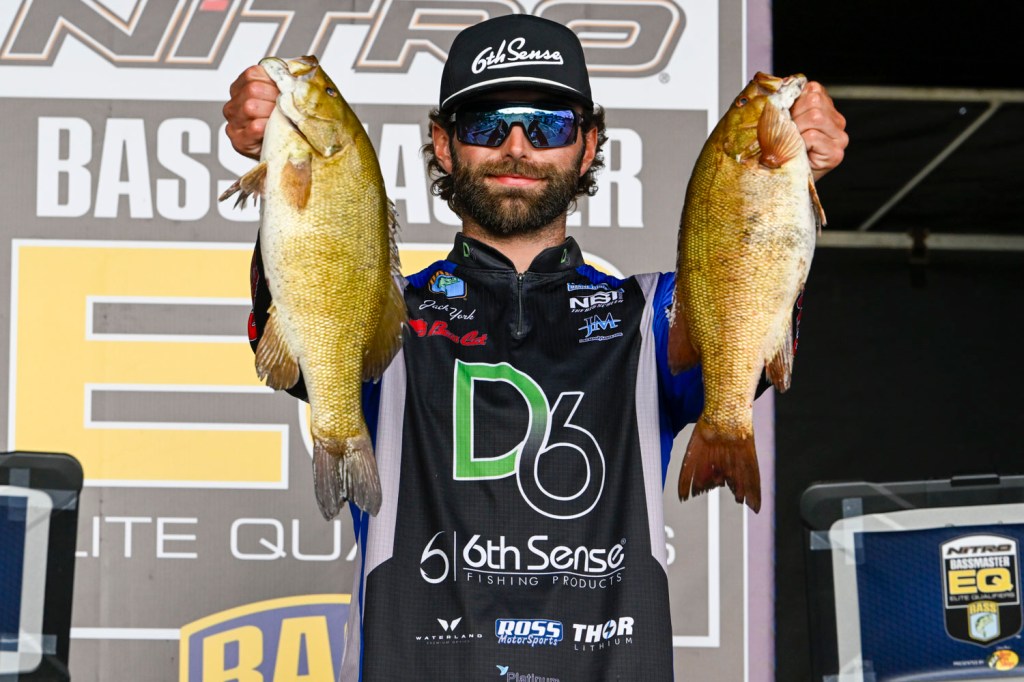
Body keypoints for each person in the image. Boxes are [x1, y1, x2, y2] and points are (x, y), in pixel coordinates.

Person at [223, 14, 848, 681]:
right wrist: (281, 158)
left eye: (547, 125)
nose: (516, 146)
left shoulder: (651, 318)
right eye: (485, 125)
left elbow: (749, 302)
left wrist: (788, 180)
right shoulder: (379, 310)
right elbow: (295, 307)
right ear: (443, 143)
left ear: (587, 145)